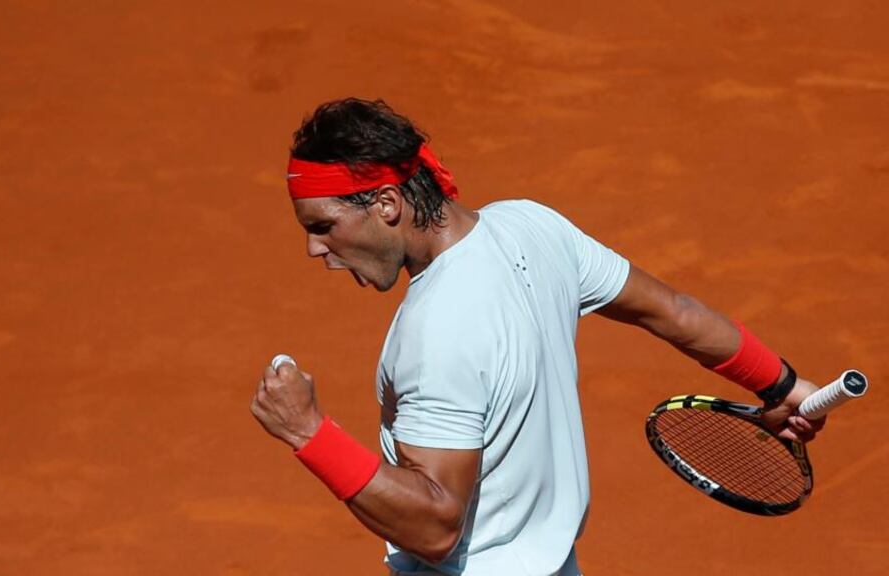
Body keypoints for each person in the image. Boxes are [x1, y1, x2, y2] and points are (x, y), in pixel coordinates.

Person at [250, 98, 824, 576]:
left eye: (323, 226)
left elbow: (434, 525)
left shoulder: (438, 332)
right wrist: (784, 386)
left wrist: (308, 432)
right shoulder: (532, 226)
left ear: (386, 202)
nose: (314, 249)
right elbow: (674, 311)